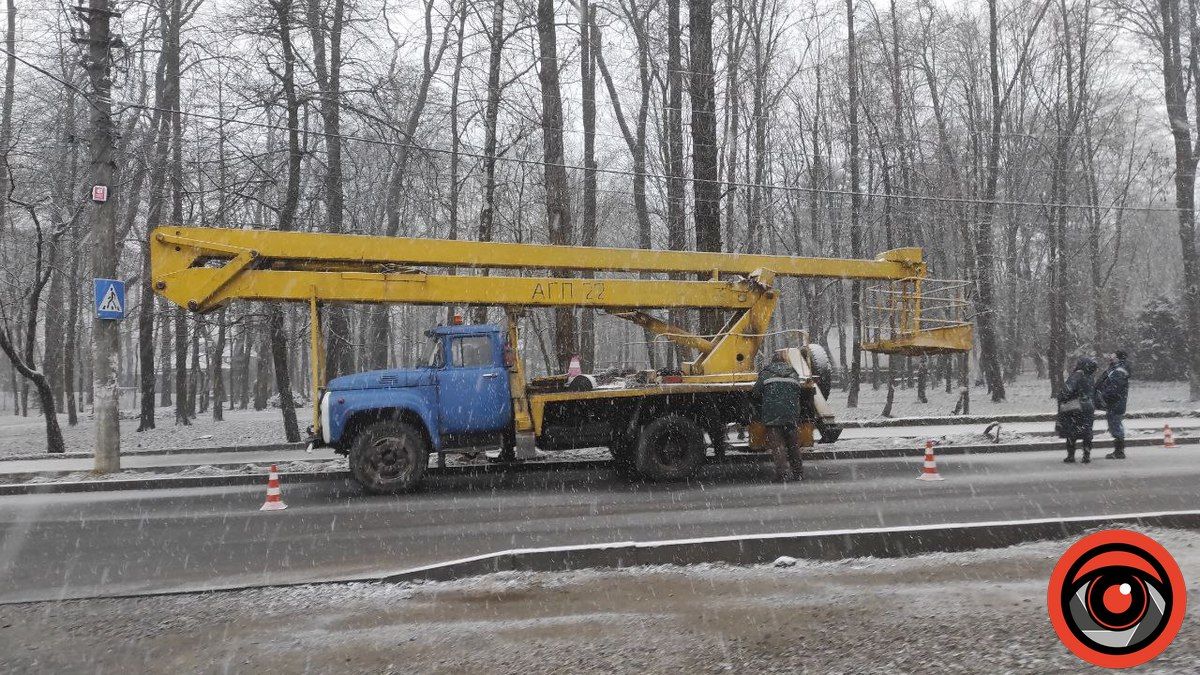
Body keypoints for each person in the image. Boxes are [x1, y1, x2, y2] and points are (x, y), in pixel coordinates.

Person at [751, 351, 804, 482]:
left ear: (772, 361)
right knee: (793, 445)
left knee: (778, 446)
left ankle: (782, 474)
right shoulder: (793, 373)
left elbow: (756, 392)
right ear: (785, 361)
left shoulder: (766, 373)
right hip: (791, 414)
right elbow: (799, 391)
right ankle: (798, 473)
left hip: (772, 415)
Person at [1057, 357, 1098, 464]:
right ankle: (1086, 455)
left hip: (1076, 407)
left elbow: (1067, 390)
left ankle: (1071, 456)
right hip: (1089, 407)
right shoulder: (1090, 376)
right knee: (1087, 431)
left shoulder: (1077, 375)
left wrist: (1062, 397)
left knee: (1072, 431)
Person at [1096, 350, 1131, 460]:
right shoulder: (1115, 368)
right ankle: (1118, 450)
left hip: (1116, 402)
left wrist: (1103, 395)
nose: (1110, 356)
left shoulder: (1119, 370)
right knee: (1114, 425)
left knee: (1115, 425)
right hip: (1114, 402)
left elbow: (1114, 388)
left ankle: (1119, 451)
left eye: (1113, 355)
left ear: (1118, 358)